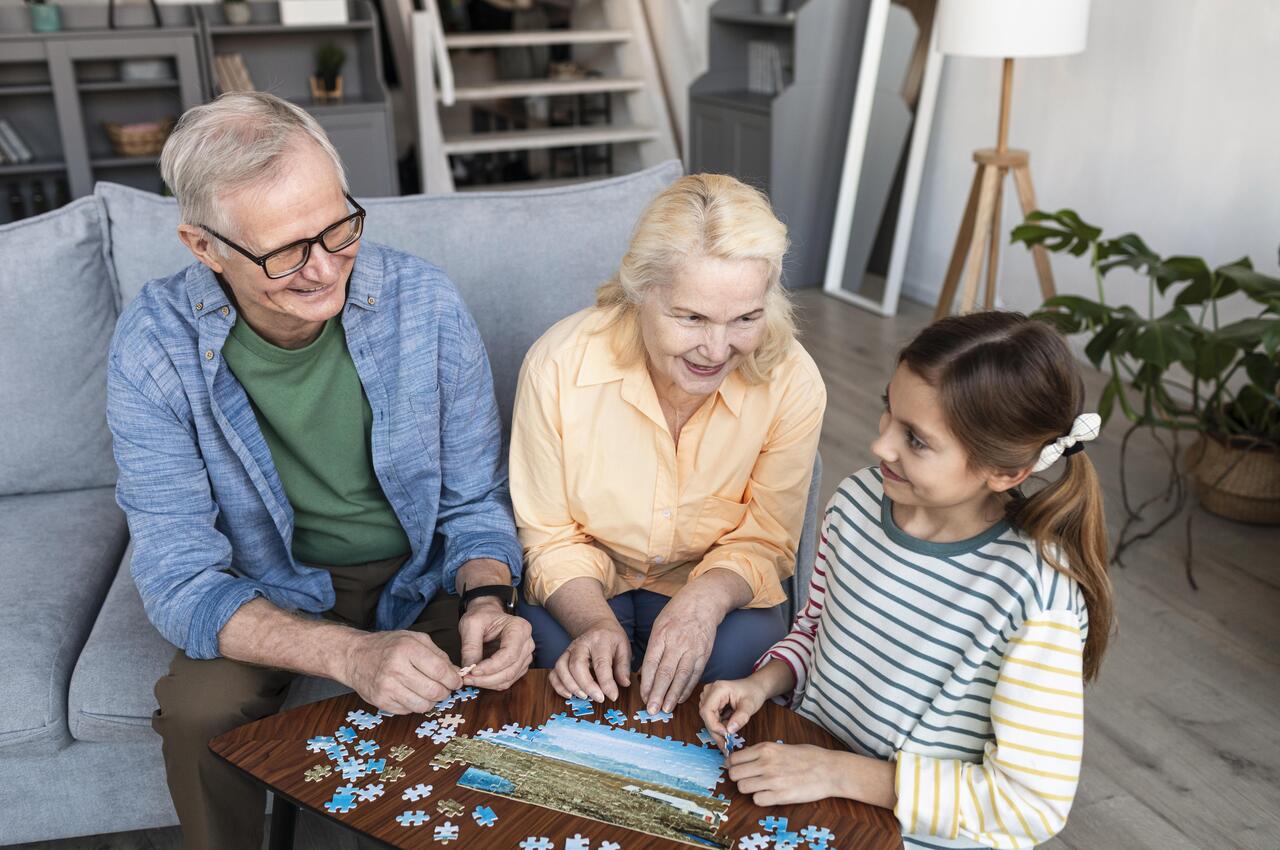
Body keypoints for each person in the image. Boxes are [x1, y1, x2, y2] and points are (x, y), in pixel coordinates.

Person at [106, 92, 532, 849]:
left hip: (419, 573)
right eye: (284, 251)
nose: (324, 268)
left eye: (338, 228)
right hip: (266, 585)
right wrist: (348, 654)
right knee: (198, 714)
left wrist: (488, 599)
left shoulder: (425, 304)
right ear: (204, 248)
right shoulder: (152, 347)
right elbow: (178, 578)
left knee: (504, 710)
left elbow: (474, 502)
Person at [700, 311, 1114, 849]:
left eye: (916, 439)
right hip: (806, 776)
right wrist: (762, 683)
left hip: (909, 832)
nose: (881, 447)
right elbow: (814, 630)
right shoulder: (856, 501)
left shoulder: (1037, 594)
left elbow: (1028, 804)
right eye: (888, 412)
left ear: (1006, 472)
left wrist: (839, 773)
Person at [509, 174, 827, 716]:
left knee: (739, 658)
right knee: (551, 658)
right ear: (639, 292)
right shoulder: (557, 365)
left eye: (746, 318)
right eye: (692, 317)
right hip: (588, 579)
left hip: (712, 579)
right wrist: (594, 622)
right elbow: (549, 537)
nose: (718, 348)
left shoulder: (794, 381)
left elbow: (767, 539)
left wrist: (703, 604)